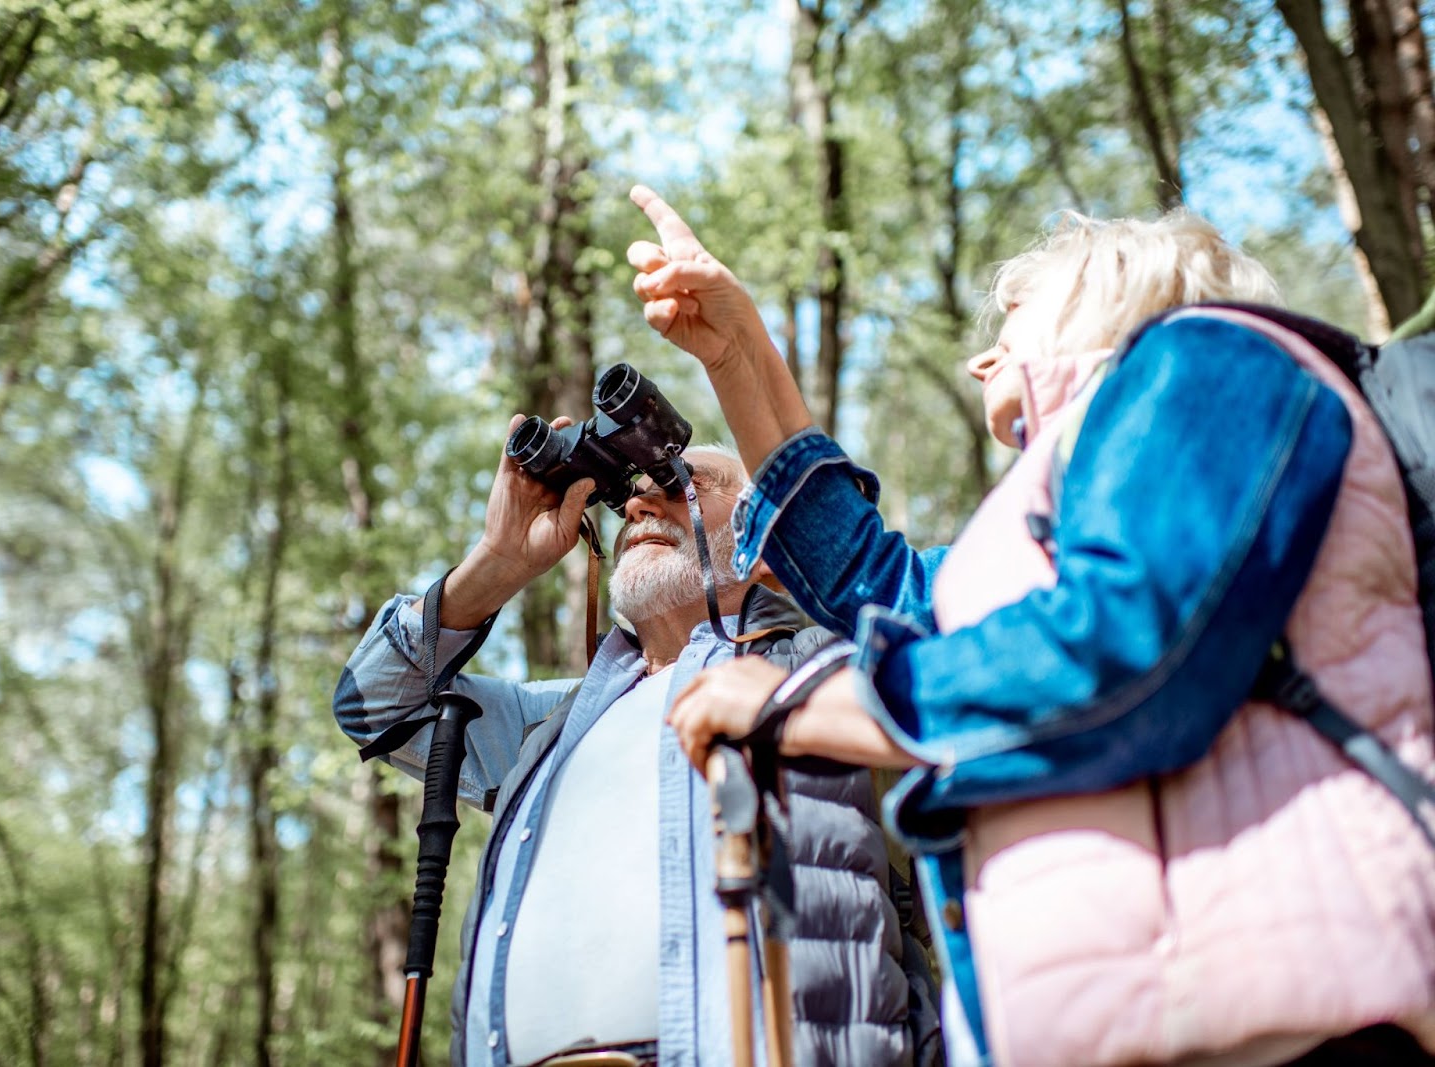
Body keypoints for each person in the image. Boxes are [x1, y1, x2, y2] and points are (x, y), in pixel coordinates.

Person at [626, 186, 1435, 1067]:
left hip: (1303, 1025)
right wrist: (739, 349)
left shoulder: (1216, 356)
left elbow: (1126, 644)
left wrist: (800, 708)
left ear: (1112, 286)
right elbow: (880, 586)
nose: (979, 362)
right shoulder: (1050, 513)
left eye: (1009, 321)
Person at [332, 426, 938, 1067]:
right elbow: (374, 704)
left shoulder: (829, 673)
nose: (642, 505)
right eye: (632, 498)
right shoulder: (555, 727)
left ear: (769, 546)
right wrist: (498, 563)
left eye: (685, 485)